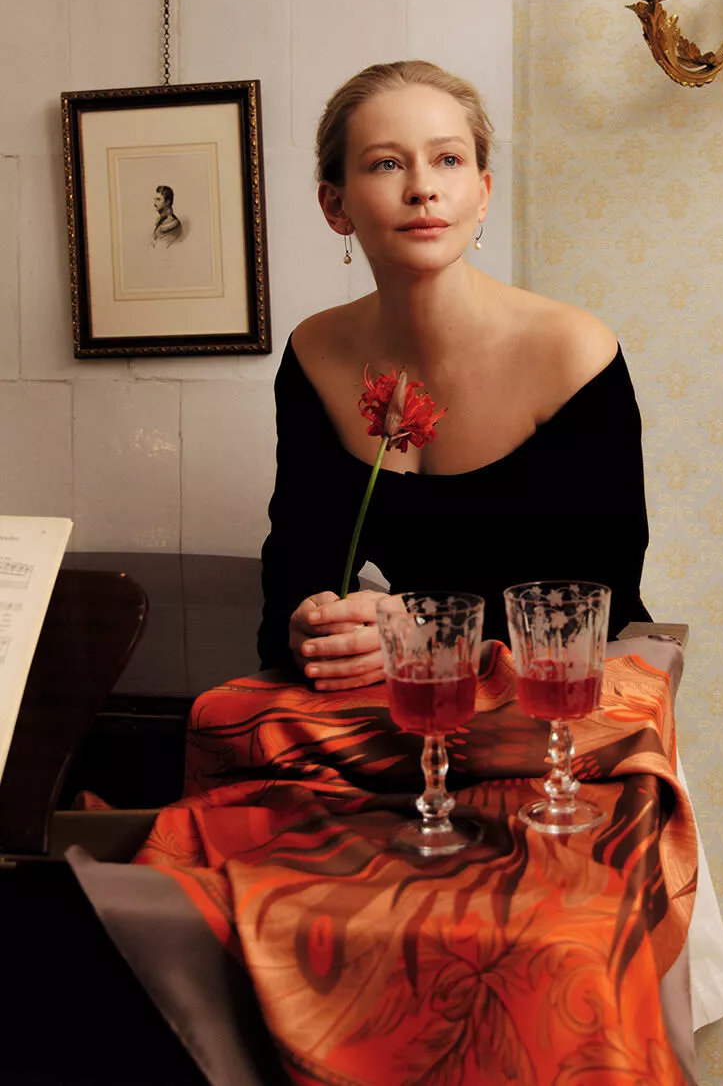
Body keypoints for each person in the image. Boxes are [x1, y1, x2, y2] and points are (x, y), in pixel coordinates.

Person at [258, 60, 652, 690]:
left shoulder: (573, 352)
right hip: (409, 693)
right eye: (386, 164)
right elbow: (296, 566)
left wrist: (424, 630)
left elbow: (600, 595)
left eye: (447, 160)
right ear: (336, 205)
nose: (422, 188)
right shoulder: (315, 352)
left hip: (567, 695)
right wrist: (306, 624)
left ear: (483, 192)